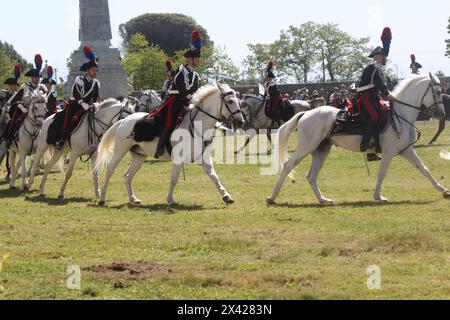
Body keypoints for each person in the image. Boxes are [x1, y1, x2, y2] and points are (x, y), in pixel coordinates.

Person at [154, 30, 202, 159]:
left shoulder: (195, 75)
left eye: (198, 59)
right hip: (176, 101)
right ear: (189, 59)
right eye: (196, 59)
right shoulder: (181, 72)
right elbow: (182, 89)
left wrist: (195, 100)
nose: (198, 62)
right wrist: (189, 98)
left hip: (189, 101)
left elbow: (196, 90)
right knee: (170, 122)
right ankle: (160, 147)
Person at [354, 27, 393, 161]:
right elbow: (379, 83)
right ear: (376, 56)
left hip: (373, 98)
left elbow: (382, 83)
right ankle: (365, 142)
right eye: (381, 55)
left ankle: (375, 146)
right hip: (365, 98)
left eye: (383, 55)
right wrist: (388, 94)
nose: (383, 57)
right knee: (375, 115)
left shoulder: (377, 68)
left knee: (384, 112)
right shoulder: (373, 67)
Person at [55, 44, 100, 150]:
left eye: (95, 70)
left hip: (90, 106)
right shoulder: (79, 80)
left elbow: (97, 97)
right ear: (88, 70)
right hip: (76, 105)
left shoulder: (96, 83)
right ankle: (62, 139)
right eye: (93, 70)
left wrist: (97, 104)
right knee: (70, 119)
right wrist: (82, 103)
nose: (95, 72)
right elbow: (76, 95)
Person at [5, 55, 46, 148]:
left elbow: (44, 99)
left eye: (38, 77)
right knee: (14, 120)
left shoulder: (42, 88)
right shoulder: (25, 86)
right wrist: (20, 104)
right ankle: (9, 139)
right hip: (25, 108)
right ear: (31, 78)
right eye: (35, 77)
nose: (36, 78)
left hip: (39, 110)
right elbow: (16, 98)